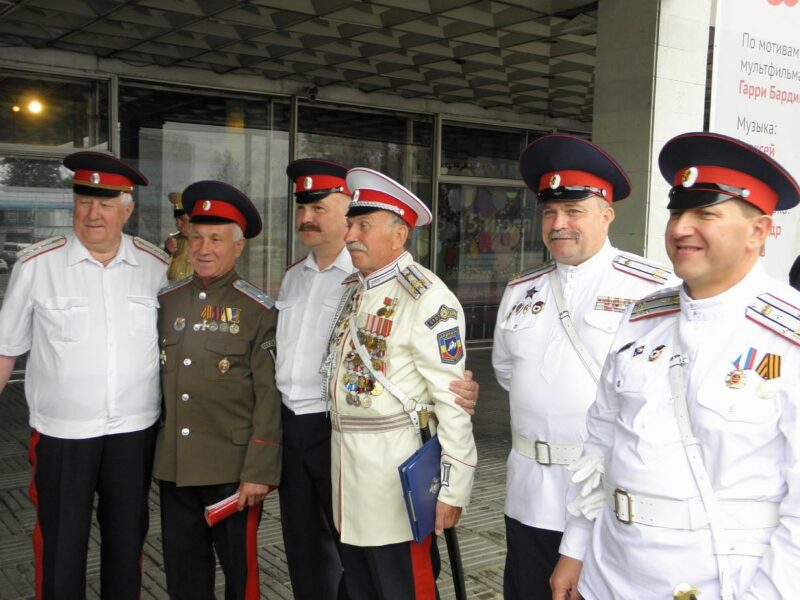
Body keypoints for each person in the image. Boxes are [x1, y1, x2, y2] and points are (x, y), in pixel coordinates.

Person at [551, 132, 800, 600]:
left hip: (717, 582)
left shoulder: (789, 337)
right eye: (676, 213)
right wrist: (575, 549)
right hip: (609, 571)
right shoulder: (642, 318)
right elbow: (601, 443)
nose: (682, 228)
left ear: (758, 232)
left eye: (706, 214)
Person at [277, 159, 481, 600]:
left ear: (399, 235)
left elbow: (452, 404)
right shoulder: (356, 289)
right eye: (351, 224)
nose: (350, 235)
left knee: (403, 587)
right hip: (348, 477)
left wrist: (452, 488)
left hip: (396, 484)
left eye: (363, 226)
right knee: (360, 587)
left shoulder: (426, 298)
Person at [492, 134, 675, 600]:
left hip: (604, 497)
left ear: (606, 215)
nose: (559, 224)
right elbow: (507, 372)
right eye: (550, 212)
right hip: (527, 492)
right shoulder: (521, 290)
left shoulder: (652, 291)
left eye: (574, 211)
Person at [0, 151, 168, 599]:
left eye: (105, 204)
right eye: (84, 202)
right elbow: (5, 349)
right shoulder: (36, 265)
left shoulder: (156, 268)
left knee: (127, 542)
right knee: (60, 545)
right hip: (62, 434)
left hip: (133, 433)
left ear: (126, 210)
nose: (93, 214)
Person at [153, 180, 281, 600]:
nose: (203, 249)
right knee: (184, 575)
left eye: (216, 239)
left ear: (238, 247)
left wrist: (258, 470)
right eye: (196, 238)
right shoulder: (167, 301)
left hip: (233, 472)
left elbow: (268, 396)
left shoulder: (258, 311)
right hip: (176, 467)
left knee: (239, 576)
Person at [165, 191, 193, 282]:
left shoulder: (207, 244)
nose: (177, 224)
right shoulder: (174, 241)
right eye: (177, 220)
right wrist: (168, 253)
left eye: (183, 220)